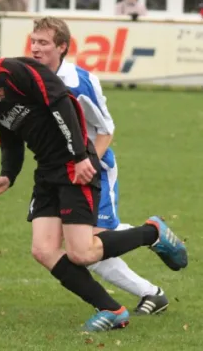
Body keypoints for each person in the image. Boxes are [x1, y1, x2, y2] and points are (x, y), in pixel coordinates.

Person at [0, 31, 188, 331]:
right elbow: (9, 137)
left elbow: (63, 103)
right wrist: (9, 174)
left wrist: (80, 156)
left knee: (81, 253)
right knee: (43, 250)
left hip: (73, 166)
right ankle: (112, 310)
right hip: (47, 171)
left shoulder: (17, 71)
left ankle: (152, 233)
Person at [30, 16, 168, 315]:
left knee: (89, 246)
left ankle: (152, 250)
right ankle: (151, 282)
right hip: (59, 173)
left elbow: (106, 129)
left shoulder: (79, 82)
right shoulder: (31, 78)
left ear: (62, 47)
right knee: (84, 246)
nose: (35, 48)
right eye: (33, 41)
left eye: (43, 43)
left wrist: (87, 163)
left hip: (95, 170)